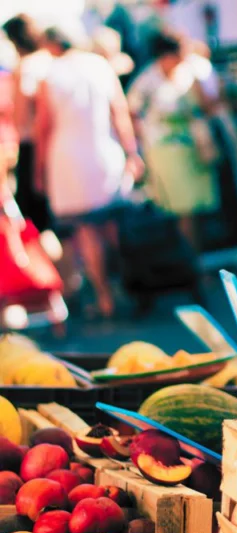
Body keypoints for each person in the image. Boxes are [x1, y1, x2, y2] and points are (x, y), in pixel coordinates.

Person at [34, 25, 142, 319]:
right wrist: (132, 152)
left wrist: (39, 170)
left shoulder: (51, 76)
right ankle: (130, 287)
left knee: (86, 231)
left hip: (69, 160)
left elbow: (44, 128)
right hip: (104, 152)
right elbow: (119, 112)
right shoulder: (99, 66)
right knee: (112, 225)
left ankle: (105, 295)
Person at [127, 29, 218, 252]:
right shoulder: (147, 80)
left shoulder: (189, 74)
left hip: (193, 146)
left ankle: (192, 260)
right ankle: (190, 263)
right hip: (164, 149)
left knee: (193, 208)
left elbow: (208, 107)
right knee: (181, 209)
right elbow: (131, 112)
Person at [2, 15, 52, 233]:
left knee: (34, 220)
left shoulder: (25, 67)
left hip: (31, 146)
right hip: (53, 145)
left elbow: (20, 118)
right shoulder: (49, 60)